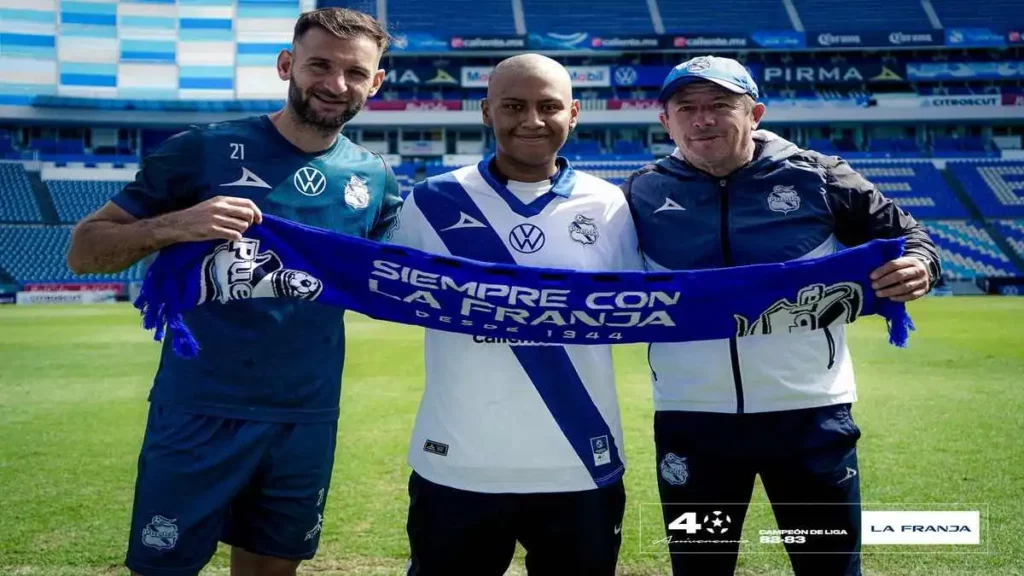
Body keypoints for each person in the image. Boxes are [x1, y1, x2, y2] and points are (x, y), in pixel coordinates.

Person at [66, 8, 401, 576]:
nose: (334, 84)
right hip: (200, 408)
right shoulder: (203, 150)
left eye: (354, 72)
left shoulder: (374, 179)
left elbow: (406, 272)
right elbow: (84, 250)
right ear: (286, 65)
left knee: (271, 570)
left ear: (375, 82)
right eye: (319, 65)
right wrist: (174, 225)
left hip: (306, 415)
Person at [621, 55, 941, 576]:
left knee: (827, 564)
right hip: (693, 422)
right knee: (701, 564)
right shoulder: (640, 192)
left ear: (755, 113)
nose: (703, 119)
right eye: (688, 108)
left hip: (810, 419)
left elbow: (910, 237)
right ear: (666, 121)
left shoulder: (821, 176)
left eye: (721, 106)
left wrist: (920, 265)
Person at [388, 53, 642, 576]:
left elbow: (651, 304)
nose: (531, 120)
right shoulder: (432, 201)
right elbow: (382, 289)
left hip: (579, 463)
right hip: (457, 462)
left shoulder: (610, 205)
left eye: (548, 106)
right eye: (513, 105)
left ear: (574, 113)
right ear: (486, 111)